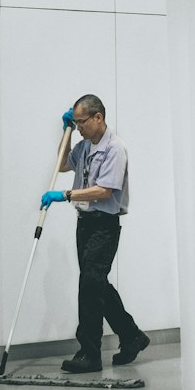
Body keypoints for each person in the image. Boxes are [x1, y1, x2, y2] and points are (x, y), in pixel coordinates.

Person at [40, 94, 150, 373]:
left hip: (104, 224)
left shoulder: (115, 149)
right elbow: (62, 164)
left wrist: (65, 194)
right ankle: (132, 336)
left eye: (80, 123)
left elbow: (105, 190)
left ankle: (89, 353)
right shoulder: (84, 145)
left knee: (89, 285)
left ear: (98, 117)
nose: (79, 128)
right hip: (85, 222)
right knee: (97, 285)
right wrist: (64, 133)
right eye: (74, 123)